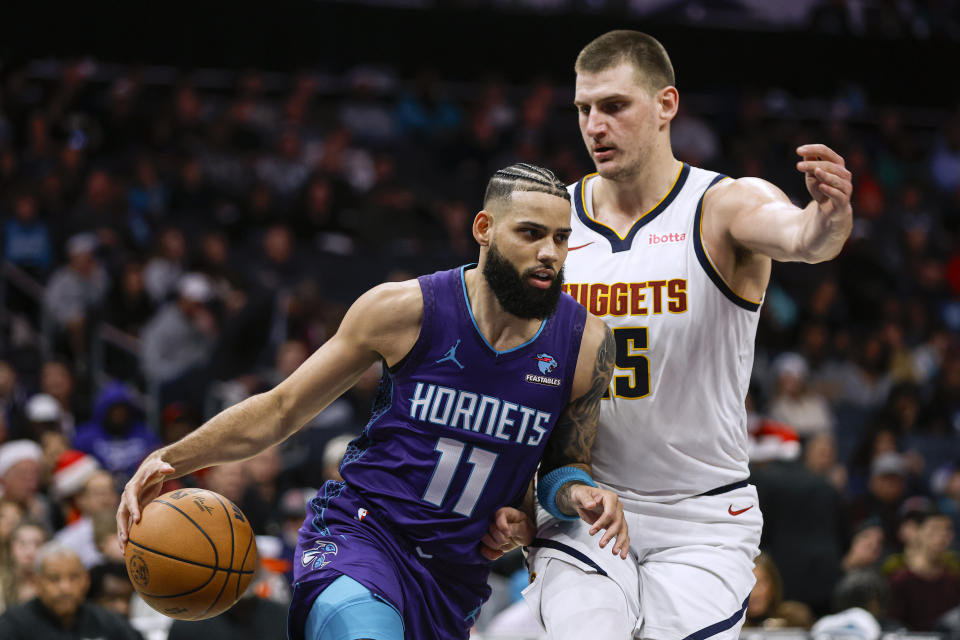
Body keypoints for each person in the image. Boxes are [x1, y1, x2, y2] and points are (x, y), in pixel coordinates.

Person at [117, 163, 629, 640]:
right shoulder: (404, 309)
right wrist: (168, 460)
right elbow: (280, 410)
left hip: (454, 579)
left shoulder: (586, 345)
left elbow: (563, 469)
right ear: (483, 229)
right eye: (531, 233)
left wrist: (556, 504)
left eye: (562, 238)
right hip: (363, 537)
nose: (550, 253)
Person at [498, 30, 853, 640]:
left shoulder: (721, 206)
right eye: (584, 109)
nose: (595, 126)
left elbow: (800, 238)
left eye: (614, 106)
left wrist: (825, 220)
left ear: (666, 105)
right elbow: (504, 364)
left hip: (702, 514)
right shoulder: (553, 224)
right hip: (587, 500)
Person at [0, 543, 141, 639]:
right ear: (36, 583)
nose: (65, 588)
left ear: (86, 580)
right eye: (54, 579)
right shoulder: (13, 624)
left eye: (74, 577)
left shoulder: (106, 621)